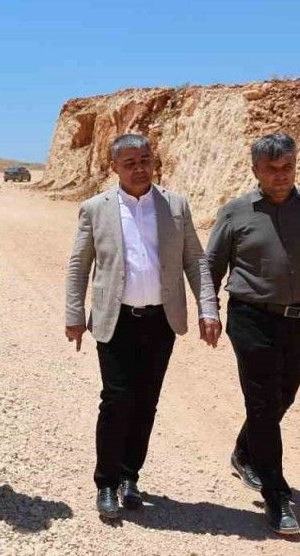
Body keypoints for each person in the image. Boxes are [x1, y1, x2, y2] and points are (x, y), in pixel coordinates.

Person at [205, 133, 300, 536]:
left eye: (287, 166)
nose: (281, 175)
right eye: (271, 169)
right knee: (263, 403)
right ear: (255, 169)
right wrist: (209, 310)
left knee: (279, 399)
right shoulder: (236, 212)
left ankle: (244, 453)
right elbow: (211, 265)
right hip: (251, 318)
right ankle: (276, 497)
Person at [64, 133, 220, 519]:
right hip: (115, 320)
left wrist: (209, 308)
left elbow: (196, 260)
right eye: (130, 163)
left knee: (146, 400)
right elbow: (79, 265)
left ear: (154, 161)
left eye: (145, 160)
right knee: (116, 399)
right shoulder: (95, 209)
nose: (139, 169)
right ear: (114, 167)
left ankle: (130, 476)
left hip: (159, 321)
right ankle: (106, 482)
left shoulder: (175, 206)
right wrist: (74, 315)